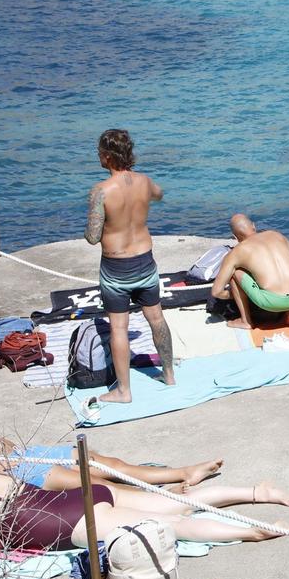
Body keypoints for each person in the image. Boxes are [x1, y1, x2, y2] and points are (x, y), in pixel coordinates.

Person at [0, 467, 289, 552]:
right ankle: (257, 492)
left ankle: (250, 531)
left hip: (74, 522)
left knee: (171, 525)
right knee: (176, 503)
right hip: (83, 497)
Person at [84, 129, 174, 403]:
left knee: (119, 328)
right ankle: (169, 374)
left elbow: (92, 237)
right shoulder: (145, 182)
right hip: (145, 261)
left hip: (116, 268)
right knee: (156, 317)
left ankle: (124, 391)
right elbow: (159, 194)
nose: (98, 156)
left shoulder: (101, 191)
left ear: (108, 156)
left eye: (100, 152)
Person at [0, 432, 223, 493]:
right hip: (25, 469)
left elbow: (9, 444)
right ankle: (165, 494)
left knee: (108, 463)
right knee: (96, 485)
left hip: (33, 453)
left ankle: (185, 471)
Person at [210, 213, 289, 326]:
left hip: (273, 302)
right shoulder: (276, 235)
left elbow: (217, 292)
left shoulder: (236, 252)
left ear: (235, 237)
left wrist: (234, 295)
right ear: (254, 226)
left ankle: (246, 321)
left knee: (235, 273)